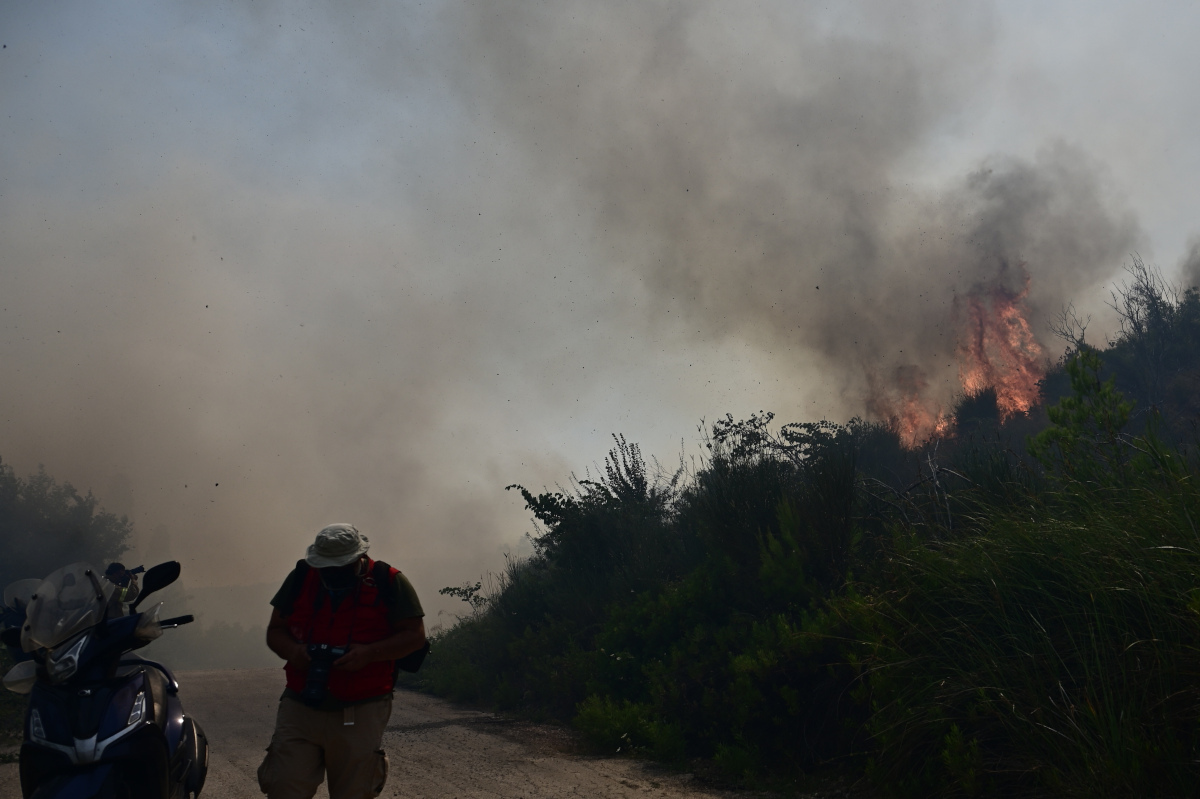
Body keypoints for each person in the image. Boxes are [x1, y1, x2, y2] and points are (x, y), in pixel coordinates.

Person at [259, 523, 426, 799]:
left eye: (340, 567)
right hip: (302, 700)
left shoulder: (388, 580)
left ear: (358, 558)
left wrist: (369, 653)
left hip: (362, 705)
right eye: (326, 567)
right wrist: (294, 652)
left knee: (354, 791)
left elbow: (415, 636)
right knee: (284, 785)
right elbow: (275, 631)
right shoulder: (302, 577)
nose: (332, 573)